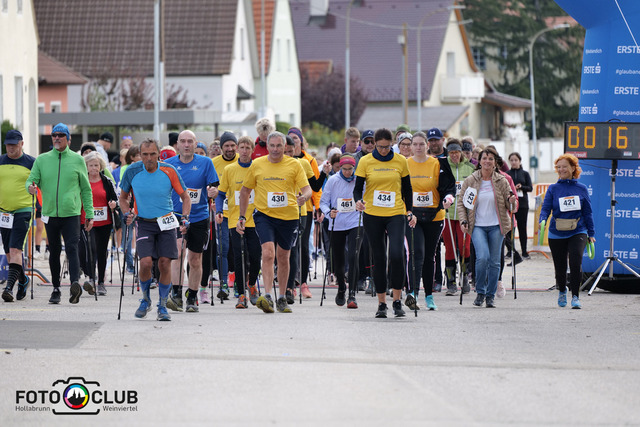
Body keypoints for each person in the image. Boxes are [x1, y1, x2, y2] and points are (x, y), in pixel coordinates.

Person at [236, 131, 311, 314]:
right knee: (268, 253)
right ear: (267, 146)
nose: (276, 149)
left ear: (285, 147)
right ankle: (268, 295)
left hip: (289, 217)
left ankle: (282, 297)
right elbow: (245, 191)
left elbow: (307, 189)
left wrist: (304, 197)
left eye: (279, 146)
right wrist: (242, 217)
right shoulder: (257, 164)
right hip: (264, 216)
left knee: (283, 257)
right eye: (272, 146)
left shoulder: (294, 164)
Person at [119, 138, 191, 321]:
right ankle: (145, 299)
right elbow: (123, 198)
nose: (149, 158)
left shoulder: (169, 170)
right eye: (145, 154)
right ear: (139, 155)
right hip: (144, 222)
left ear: (159, 154)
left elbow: (185, 197)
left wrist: (185, 217)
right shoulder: (132, 171)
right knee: (145, 263)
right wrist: (127, 212)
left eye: (152, 154)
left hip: (166, 222)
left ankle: (163, 305)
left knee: (165, 263)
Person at [26, 123, 94, 304]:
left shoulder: (78, 160)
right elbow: (31, 180)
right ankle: (56, 288)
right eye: (54, 135)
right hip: (50, 213)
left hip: (71, 213)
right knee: (54, 251)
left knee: (72, 248)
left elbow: (86, 189)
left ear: (68, 139)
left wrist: (89, 213)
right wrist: (30, 187)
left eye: (61, 135)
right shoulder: (42, 159)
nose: (57, 138)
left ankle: (74, 284)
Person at [354, 128, 416, 318]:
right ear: (374, 144)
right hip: (372, 214)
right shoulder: (365, 161)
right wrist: (358, 201)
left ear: (392, 144)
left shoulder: (400, 161)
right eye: (380, 147)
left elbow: (407, 189)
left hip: (395, 213)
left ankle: (397, 300)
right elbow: (357, 188)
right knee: (379, 258)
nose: (383, 150)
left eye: (387, 147)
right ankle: (382, 303)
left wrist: (409, 210)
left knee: (397, 255)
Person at [165, 130, 219, 312]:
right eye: (183, 141)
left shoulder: (206, 163)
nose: (186, 145)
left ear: (195, 144)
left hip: (199, 216)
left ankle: (192, 296)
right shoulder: (169, 164)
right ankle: (176, 294)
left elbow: (214, 187)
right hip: (175, 216)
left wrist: (213, 192)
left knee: (195, 259)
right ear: (177, 144)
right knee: (177, 254)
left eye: (190, 141)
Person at [457, 147, 516, 308]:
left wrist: (512, 201)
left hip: (497, 225)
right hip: (478, 226)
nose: (487, 161)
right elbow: (461, 203)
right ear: (480, 161)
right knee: (482, 258)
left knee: (495, 261)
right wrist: (463, 220)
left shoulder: (501, 180)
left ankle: (490, 295)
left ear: (495, 162)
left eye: (491, 159)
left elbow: (512, 206)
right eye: (484, 158)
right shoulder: (471, 180)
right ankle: (480, 292)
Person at [405, 132, 455, 310]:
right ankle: (412, 294)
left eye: (421, 144)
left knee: (429, 256)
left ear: (427, 145)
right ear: (411, 147)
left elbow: (449, 187)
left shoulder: (437, 163)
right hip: (413, 215)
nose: (418, 147)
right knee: (416, 252)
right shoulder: (405, 164)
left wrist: (448, 199)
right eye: (415, 144)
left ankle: (428, 296)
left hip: (434, 215)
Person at [539, 154, 595, 309]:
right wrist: (542, 220)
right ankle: (562, 290)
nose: (561, 169)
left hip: (578, 230)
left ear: (573, 168)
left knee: (576, 262)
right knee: (560, 266)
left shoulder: (581, 189)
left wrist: (591, 233)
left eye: (564, 166)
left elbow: (588, 213)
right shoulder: (553, 188)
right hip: (556, 231)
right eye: (559, 167)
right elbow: (545, 208)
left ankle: (575, 296)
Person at [217, 136, 262, 308]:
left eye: (247, 148)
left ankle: (252, 284)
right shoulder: (229, 169)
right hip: (235, 220)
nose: (244, 151)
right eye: (241, 147)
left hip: (256, 219)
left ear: (252, 150)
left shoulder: (258, 167)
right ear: (237, 149)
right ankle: (241, 294)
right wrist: (219, 210)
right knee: (239, 256)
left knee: (255, 256)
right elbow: (221, 193)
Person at [288, 127, 329, 299]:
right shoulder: (276, 163)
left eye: (295, 139)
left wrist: (324, 173)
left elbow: (316, 187)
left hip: (303, 210)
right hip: (282, 211)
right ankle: (289, 283)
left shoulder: (306, 162)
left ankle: (302, 282)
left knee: (302, 246)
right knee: (289, 248)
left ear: (300, 142)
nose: (292, 143)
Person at [320, 154, 361, 308]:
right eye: (344, 169)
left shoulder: (359, 180)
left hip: (355, 222)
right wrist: (328, 212)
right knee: (338, 259)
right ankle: (342, 288)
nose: (347, 172)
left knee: (353, 256)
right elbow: (323, 202)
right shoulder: (333, 180)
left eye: (350, 169)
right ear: (340, 168)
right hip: (336, 223)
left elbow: (366, 197)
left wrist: (363, 205)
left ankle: (352, 294)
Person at [1, 130, 36, 302]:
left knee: (16, 249)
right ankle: (23, 280)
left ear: (22, 144)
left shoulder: (31, 162)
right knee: (9, 253)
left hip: (23, 210)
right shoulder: (0, 161)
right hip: (4, 212)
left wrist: (35, 189)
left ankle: (8, 288)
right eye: (8, 144)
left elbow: (40, 183)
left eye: (14, 144)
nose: (11, 147)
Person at [79, 152, 118, 296]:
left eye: (96, 165)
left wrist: (114, 204)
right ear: (86, 166)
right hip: (86, 220)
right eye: (91, 165)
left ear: (100, 166)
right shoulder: (82, 180)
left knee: (101, 251)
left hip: (104, 221)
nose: (94, 168)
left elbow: (115, 198)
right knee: (88, 250)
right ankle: (91, 277)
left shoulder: (106, 181)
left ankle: (100, 282)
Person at [443, 138, 475, 296]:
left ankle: (465, 276)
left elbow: (475, 190)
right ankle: (451, 281)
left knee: (465, 247)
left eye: (456, 152)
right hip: (448, 214)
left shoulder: (470, 167)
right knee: (449, 248)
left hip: (464, 214)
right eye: (451, 153)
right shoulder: (443, 166)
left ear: (461, 152)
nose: (454, 155)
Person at [213, 131, 239, 299]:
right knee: (222, 248)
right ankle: (223, 283)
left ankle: (238, 282)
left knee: (238, 249)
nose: (230, 149)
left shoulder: (243, 161)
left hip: (239, 212)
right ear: (221, 147)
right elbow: (209, 184)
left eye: (232, 145)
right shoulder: (214, 163)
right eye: (226, 146)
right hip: (221, 212)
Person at [507, 152, 533, 259]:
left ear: (519, 161)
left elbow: (530, 188)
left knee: (522, 228)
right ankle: (510, 251)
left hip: (522, 204)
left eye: (515, 160)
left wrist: (521, 187)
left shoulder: (525, 173)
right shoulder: (507, 174)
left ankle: (524, 251)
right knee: (509, 229)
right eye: (511, 160)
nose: (513, 162)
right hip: (510, 205)